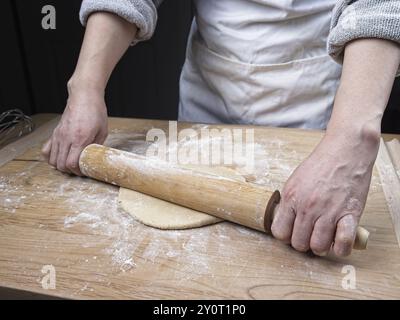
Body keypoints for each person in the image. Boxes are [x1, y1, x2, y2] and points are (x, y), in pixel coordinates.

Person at [42, 0, 400, 257]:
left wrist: (350, 137)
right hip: (209, 94)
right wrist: (85, 87)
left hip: (314, 103)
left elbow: (379, 7)